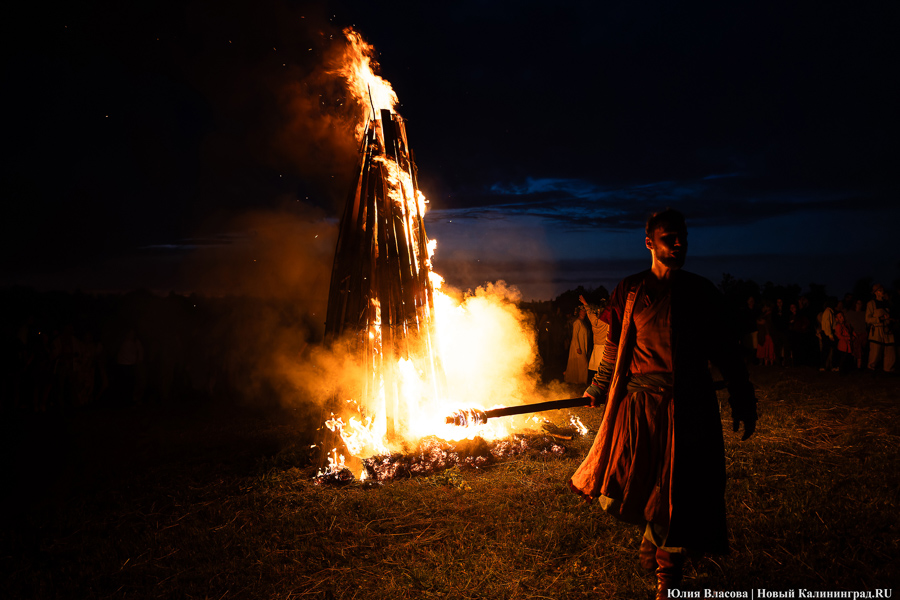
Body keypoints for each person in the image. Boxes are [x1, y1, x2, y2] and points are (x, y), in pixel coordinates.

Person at [568, 209, 756, 599]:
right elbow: (615, 346)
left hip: (690, 407)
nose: (679, 243)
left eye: (683, 236)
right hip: (639, 407)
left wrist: (743, 397)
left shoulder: (702, 292)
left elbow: (726, 352)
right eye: (669, 237)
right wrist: (598, 387)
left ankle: (667, 581)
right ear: (649, 243)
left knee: (680, 492)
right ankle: (652, 532)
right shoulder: (631, 289)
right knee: (626, 487)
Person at [580, 294, 609, 383]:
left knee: (595, 369)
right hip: (605, 347)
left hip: (596, 347)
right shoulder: (607, 322)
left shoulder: (594, 320)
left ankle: (594, 383)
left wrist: (584, 302)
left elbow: (589, 312)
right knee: (604, 370)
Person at [866, 284, 895, 373]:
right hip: (877, 330)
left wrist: (890, 319)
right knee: (875, 351)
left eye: (882, 290)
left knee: (890, 350)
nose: (882, 292)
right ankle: (871, 369)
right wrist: (879, 319)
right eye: (880, 290)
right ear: (875, 292)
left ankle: (888, 369)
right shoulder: (871, 303)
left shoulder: (887, 303)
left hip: (887, 330)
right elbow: (867, 319)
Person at [564, 307, 590, 384]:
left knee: (579, 364)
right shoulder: (577, 322)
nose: (584, 312)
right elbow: (575, 335)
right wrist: (578, 347)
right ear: (579, 312)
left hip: (582, 346)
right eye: (582, 311)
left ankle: (578, 380)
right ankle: (581, 380)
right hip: (577, 346)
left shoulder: (583, 322)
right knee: (583, 364)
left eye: (585, 311)